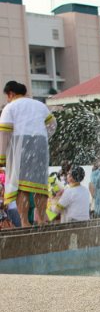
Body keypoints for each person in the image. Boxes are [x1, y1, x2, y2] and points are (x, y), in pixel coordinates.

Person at [0, 80, 57, 227]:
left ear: (11, 93)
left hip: (20, 145)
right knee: (40, 185)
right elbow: (52, 125)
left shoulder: (10, 107)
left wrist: (1, 157)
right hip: (41, 144)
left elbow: (4, 133)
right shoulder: (39, 105)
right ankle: (42, 220)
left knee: (22, 186)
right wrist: (43, 138)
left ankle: (25, 222)